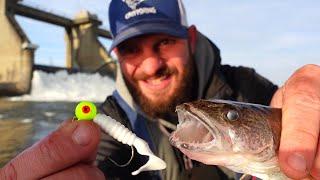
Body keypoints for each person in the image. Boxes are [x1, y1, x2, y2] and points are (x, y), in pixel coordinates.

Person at [1, 0, 319, 179]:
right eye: (131, 50)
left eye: (164, 42)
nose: (151, 65)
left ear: (191, 38)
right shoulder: (107, 124)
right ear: (115, 56)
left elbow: (287, 109)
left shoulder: (246, 87)